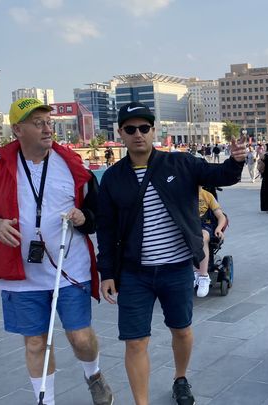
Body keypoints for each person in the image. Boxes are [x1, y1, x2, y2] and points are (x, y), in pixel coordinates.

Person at [95, 101, 246, 405]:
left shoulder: (181, 163)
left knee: (182, 331)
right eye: (130, 129)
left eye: (144, 128)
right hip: (134, 272)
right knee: (135, 341)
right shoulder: (113, 178)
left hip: (177, 268)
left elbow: (222, 176)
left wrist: (236, 160)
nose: (138, 134)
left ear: (154, 130)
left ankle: (180, 377)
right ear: (121, 133)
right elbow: (106, 229)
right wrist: (107, 273)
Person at [0, 98, 113, 405]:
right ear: (17, 129)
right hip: (20, 273)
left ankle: (94, 374)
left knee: (80, 338)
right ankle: (45, 401)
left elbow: (98, 214)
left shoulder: (74, 166)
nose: (47, 129)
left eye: (49, 122)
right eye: (38, 123)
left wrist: (83, 217)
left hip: (69, 266)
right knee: (36, 342)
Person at [193, 188, 227, 297]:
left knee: (202, 237)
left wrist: (218, 228)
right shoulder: (182, 194)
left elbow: (221, 216)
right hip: (189, 225)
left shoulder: (208, 195)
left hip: (204, 225)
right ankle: (191, 272)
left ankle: (203, 276)